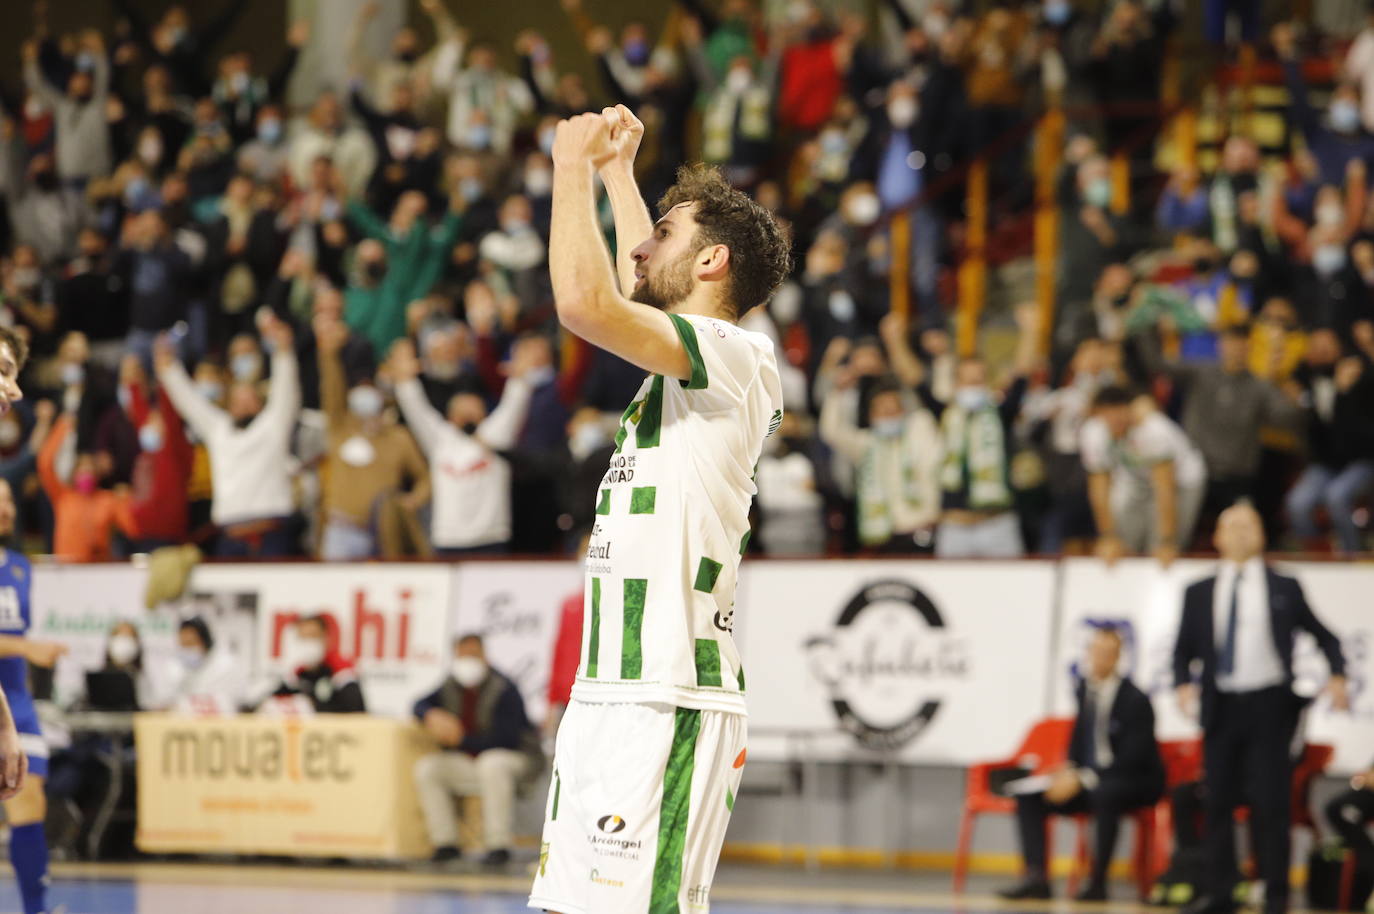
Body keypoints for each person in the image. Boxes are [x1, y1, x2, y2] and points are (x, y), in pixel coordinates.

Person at [529, 105, 789, 914]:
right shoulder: (687, 367)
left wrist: (569, 168)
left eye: (663, 232)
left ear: (712, 260)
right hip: (605, 692)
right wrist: (617, 176)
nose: (638, 246)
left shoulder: (736, 354)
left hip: (668, 695)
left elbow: (587, 303)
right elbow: (635, 286)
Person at [1173, 503, 1350, 914]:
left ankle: (1275, 895)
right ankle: (1220, 892)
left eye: (1247, 525)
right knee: (1216, 803)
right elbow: (1182, 652)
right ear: (1215, 537)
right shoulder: (1197, 593)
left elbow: (1326, 637)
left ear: (1262, 535)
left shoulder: (1283, 586)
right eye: (1229, 525)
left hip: (1270, 708)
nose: (1238, 533)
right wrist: (1183, 685)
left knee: (1271, 804)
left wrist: (1338, 674)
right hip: (1220, 708)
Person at [1000, 626, 1165, 901]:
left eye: (1108, 653)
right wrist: (1067, 771)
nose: (1100, 659)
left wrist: (1083, 777)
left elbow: (1133, 758)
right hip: (1091, 780)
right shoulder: (1085, 691)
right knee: (1030, 797)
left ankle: (1097, 883)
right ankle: (1037, 877)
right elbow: (1079, 743)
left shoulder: (1136, 699)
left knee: (1106, 793)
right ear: (1088, 654)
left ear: (1117, 657)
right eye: (1096, 652)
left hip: (1134, 782)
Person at [156, 316, 302, 557]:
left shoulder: (272, 425)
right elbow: (188, 402)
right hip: (230, 535)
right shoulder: (218, 429)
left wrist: (283, 351)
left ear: (260, 403)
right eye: (237, 400)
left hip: (271, 533)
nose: (243, 405)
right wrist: (168, 367)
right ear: (229, 405)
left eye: (249, 399)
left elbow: (287, 387)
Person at [391, 337, 533, 555]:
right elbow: (416, 409)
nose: (468, 415)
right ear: (450, 417)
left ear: (483, 414)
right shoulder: (439, 438)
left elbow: (513, 406)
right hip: (449, 539)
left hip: (491, 538)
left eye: (474, 410)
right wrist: (404, 380)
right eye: (461, 411)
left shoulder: (494, 436)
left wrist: (520, 380)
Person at [413, 634, 541, 867]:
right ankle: (445, 844)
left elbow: (506, 739)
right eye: (462, 657)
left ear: (484, 656)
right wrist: (431, 715)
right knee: (429, 768)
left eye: (473, 655)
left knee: (492, 763)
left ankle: (497, 846)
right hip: (474, 760)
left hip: (516, 760)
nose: (467, 662)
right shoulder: (452, 684)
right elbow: (418, 704)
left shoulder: (504, 688)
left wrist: (460, 739)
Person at [1081, 386, 1207, 565]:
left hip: (1182, 482)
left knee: (1160, 548)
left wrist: (1167, 541)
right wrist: (1108, 536)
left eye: (1119, 415)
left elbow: (1165, 488)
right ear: (1098, 414)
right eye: (1108, 417)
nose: (1115, 421)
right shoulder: (1092, 432)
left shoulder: (1154, 430)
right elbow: (1099, 488)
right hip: (1135, 478)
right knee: (1122, 542)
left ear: (1130, 410)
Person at [265, 615, 365, 714]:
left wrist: (314, 706)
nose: (308, 644)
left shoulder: (341, 671)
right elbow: (269, 699)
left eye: (312, 637)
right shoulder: (298, 675)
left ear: (325, 638)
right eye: (303, 639)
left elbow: (356, 711)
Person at [159, 617, 248, 715]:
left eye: (190, 643)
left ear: (205, 642)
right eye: (182, 644)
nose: (186, 650)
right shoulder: (174, 668)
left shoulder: (227, 666)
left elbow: (240, 704)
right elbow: (167, 702)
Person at [1324, 763, 1374, 911]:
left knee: (1366, 856)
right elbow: (1367, 777)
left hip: (1351, 811)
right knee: (1366, 856)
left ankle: (1356, 903)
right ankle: (1355, 904)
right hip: (1344, 810)